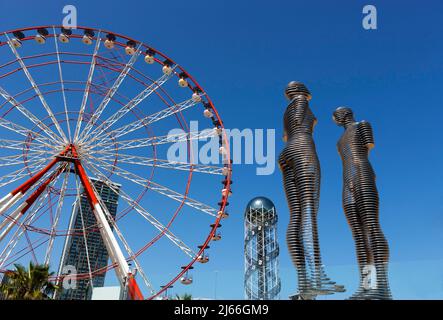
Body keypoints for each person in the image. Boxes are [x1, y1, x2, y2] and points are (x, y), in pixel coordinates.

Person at [279, 82, 344, 299]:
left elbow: (285, 136)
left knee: (295, 216)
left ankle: (303, 283)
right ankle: (316, 280)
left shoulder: (286, 110)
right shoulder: (301, 102)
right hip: (303, 149)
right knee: (308, 214)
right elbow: (305, 123)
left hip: (286, 153)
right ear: (301, 90)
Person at [333, 107, 392, 300]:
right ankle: (367, 285)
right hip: (346, 180)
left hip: (363, 173)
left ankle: (382, 284)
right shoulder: (339, 141)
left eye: (337, 114)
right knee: (358, 234)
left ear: (345, 114)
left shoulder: (362, 125)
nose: (335, 118)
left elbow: (368, 147)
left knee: (372, 226)